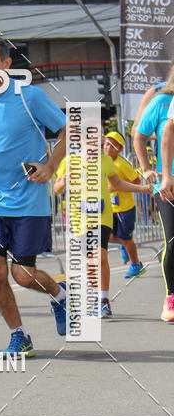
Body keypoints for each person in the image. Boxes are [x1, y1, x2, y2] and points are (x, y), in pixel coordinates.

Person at [0, 35, 67, 357]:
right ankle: (19, 335)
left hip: (29, 198)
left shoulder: (29, 96)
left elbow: (68, 130)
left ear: (7, 64)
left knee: (22, 274)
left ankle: (61, 295)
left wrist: (50, 166)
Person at [54, 148, 150, 317]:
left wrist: (141, 189)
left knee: (100, 256)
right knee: (90, 261)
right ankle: (96, 298)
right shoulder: (69, 161)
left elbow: (117, 184)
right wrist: (63, 182)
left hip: (102, 215)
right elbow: (57, 189)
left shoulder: (105, 161)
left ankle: (103, 300)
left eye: (101, 138)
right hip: (79, 217)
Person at [134, 84, 174, 321]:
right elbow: (139, 135)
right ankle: (171, 296)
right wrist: (147, 169)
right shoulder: (161, 102)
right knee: (172, 240)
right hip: (168, 185)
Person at [103, 131, 145, 278]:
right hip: (109, 208)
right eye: (107, 144)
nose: (108, 148)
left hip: (125, 208)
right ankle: (125, 245)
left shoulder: (121, 164)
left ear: (120, 149)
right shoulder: (103, 161)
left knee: (126, 239)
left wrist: (117, 186)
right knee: (106, 235)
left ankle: (136, 265)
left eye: (113, 146)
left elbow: (136, 181)